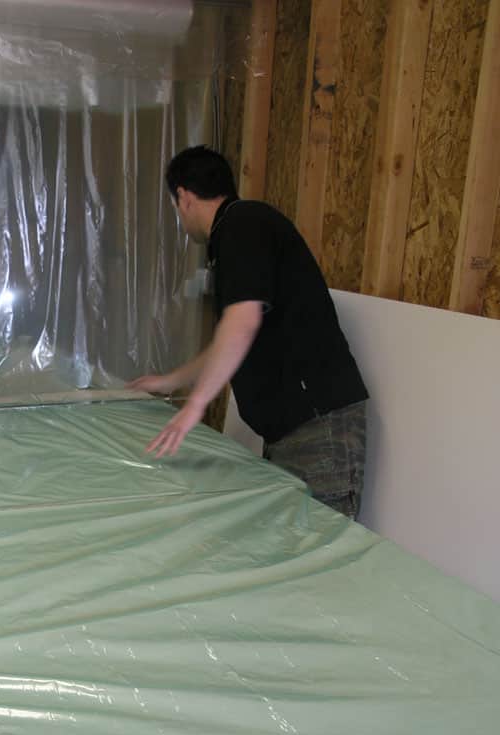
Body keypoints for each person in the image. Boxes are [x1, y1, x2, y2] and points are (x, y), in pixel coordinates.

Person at [128, 145, 369, 519]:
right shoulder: (236, 232)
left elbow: (243, 322)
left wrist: (195, 406)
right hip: (293, 428)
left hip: (317, 427)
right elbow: (229, 336)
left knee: (321, 541)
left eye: (176, 205)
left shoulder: (242, 225)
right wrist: (169, 381)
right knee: (293, 537)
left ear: (184, 197)